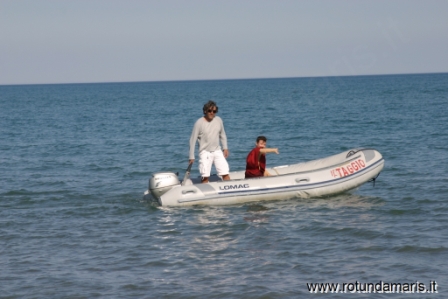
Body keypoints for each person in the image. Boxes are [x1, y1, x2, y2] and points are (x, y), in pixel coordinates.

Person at [189, 100, 230, 183]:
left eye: (214, 111)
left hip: (217, 150)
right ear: (205, 111)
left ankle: (230, 191)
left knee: (225, 173)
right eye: (210, 111)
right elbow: (192, 140)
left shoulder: (219, 120)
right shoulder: (199, 123)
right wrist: (191, 156)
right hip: (205, 152)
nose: (212, 113)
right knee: (205, 177)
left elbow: (222, 134)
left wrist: (225, 147)